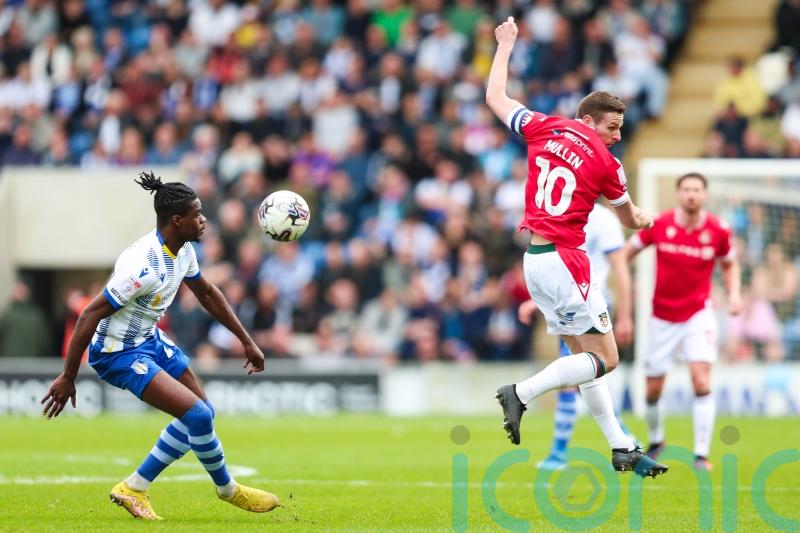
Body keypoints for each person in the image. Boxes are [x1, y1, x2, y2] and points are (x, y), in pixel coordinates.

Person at [485, 16, 667, 478]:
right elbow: (628, 219)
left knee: (584, 358)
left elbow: (495, 97)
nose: (617, 136)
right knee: (606, 359)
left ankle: (622, 447)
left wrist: (505, 44)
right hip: (567, 262)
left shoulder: (543, 126)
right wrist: (644, 217)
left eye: (621, 128)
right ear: (588, 120)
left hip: (535, 261)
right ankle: (521, 393)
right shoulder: (608, 164)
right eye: (612, 127)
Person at [40, 172, 279, 520]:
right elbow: (89, 313)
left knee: (203, 414)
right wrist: (68, 375)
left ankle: (140, 487)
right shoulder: (143, 266)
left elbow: (207, 293)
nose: (204, 219)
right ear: (177, 220)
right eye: (197, 214)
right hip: (117, 352)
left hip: (148, 339)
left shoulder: (183, 252)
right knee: (197, 415)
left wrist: (246, 340)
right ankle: (223, 489)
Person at [624, 172, 742, 471]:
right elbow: (625, 254)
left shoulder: (718, 230)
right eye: (686, 189)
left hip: (698, 314)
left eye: (697, 190)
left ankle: (701, 454)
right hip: (662, 317)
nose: (691, 194)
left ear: (705, 194)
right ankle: (657, 441)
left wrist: (735, 295)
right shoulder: (659, 224)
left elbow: (730, 265)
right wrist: (624, 284)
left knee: (701, 379)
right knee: (653, 389)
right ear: (678, 193)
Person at [518, 202, 637, 470]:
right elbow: (554, 267)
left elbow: (620, 267)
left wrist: (625, 315)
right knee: (586, 377)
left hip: (592, 302)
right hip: (567, 300)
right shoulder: (561, 214)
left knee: (580, 376)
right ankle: (625, 443)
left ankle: (559, 451)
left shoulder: (603, 219)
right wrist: (537, 301)